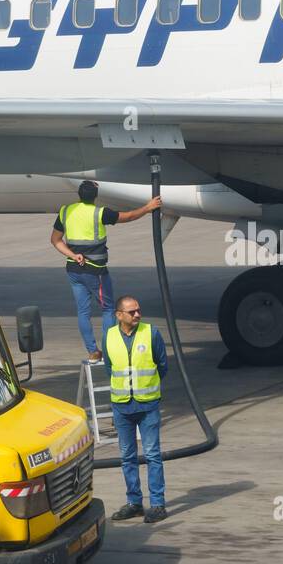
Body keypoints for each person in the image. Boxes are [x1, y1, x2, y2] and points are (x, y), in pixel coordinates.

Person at [51, 181, 162, 361]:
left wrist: (73, 255)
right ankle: (109, 349)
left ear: (79, 194)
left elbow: (55, 240)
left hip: (73, 270)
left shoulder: (65, 211)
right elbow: (129, 216)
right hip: (96, 272)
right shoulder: (100, 213)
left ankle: (92, 351)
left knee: (83, 311)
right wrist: (148, 208)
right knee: (108, 309)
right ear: (95, 196)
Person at [106, 296, 168, 524]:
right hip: (122, 407)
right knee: (127, 457)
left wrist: (145, 388)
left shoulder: (151, 333)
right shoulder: (109, 336)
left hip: (147, 404)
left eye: (138, 311)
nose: (137, 315)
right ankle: (134, 502)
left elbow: (162, 365)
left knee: (152, 455)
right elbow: (110, 368)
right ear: (119, 315)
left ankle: (158, 504)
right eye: (132, 312)